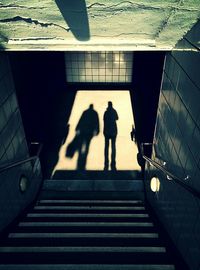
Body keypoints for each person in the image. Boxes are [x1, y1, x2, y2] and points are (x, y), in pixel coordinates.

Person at [75, 104, 99, 170]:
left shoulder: (85, 112)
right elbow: (97, 122)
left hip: (83, 131)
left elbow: (81, 120)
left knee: (81, 145)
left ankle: (80, 158)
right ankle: (84, 157)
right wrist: (97, 130)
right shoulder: (94, 113)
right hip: (89, 132)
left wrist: (77, 128)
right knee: (87, 145)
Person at [103, 101, 119, 170]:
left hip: (107, 131)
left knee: (106, 147)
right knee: (113, 147)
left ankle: (106, 162)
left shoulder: (106, 112)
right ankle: (113, 162)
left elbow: (104, 121)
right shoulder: (114, 111)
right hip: (113, 131)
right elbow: (117, 118)